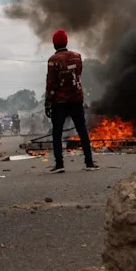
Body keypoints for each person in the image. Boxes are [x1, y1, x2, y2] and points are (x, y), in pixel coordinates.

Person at [45, 29, 98, 173]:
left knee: (57, 132)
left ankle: (59, 164)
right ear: (66, 42)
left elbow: (51, 84)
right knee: (82, 130)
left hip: (60, 102)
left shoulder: (53, 60)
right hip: (76, 99)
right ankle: (89, 162)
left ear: (54, 44)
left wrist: (48, 103)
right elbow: (78, 75)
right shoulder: (77, 57)